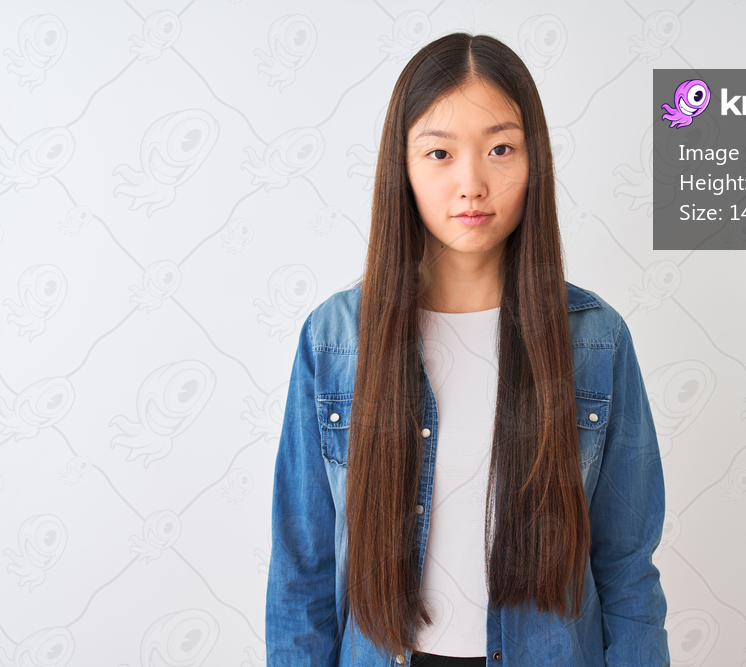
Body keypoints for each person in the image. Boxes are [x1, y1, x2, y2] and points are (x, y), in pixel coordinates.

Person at [266, 32, 669, 667]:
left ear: (534, 159)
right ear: (401, 165)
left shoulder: (595, 340)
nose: (471, 183)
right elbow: (302, 576)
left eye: (500, 148)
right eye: (440, 153)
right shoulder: (335, 341)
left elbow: (626, 569)